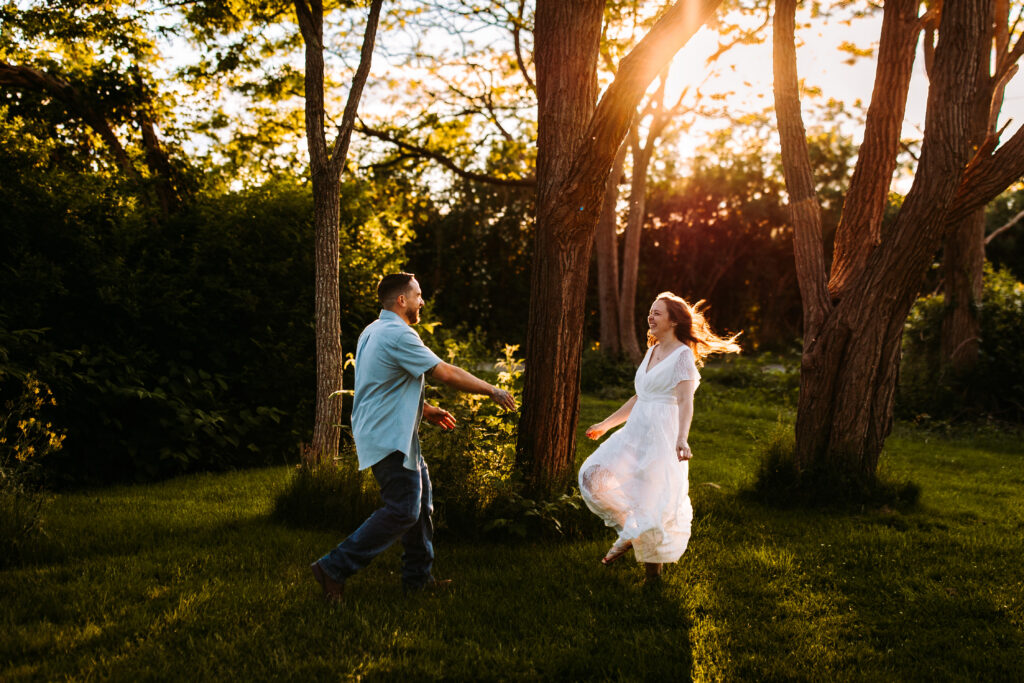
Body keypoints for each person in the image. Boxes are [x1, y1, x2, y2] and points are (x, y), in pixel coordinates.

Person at [311, 272, 516, 602]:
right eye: (418, 295)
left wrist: (427, 409)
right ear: (401, 300)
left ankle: (418, 580)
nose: (422, 301)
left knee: (419, 507)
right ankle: (333, 567)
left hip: (394, 430)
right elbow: (445, 372)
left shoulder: (373, 331)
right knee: (404, 510)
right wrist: (491, 389)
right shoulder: (396, 334)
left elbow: (385, 385)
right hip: (388, 434)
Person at [578, 292, 740, 584]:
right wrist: (606, 424)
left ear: (674, 320)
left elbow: (685, 401)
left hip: (662, 435)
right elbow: (640, 397)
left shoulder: (683, 356)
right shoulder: (651, 350)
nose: (650, 317)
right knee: (591, 475)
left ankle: (653, 580)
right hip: (635, 431)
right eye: (650, 312)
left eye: (657, 313)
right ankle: (632, 530)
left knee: (654, 499)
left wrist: (682, 438)